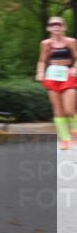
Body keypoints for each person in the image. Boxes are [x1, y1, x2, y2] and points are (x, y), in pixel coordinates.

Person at [35, 16, 77, 150]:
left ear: (64, 27)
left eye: (59, 24)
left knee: (69, 110)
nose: (56, 26)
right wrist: (40, 72)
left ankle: (75, 133)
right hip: (52, 75)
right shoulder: (45, 44)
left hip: (68, 75)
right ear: (49, 28)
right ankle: (65, 140)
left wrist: (75, 68)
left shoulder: (71, 42)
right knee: (58, 110)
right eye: (53, 24)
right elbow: (42, 60)